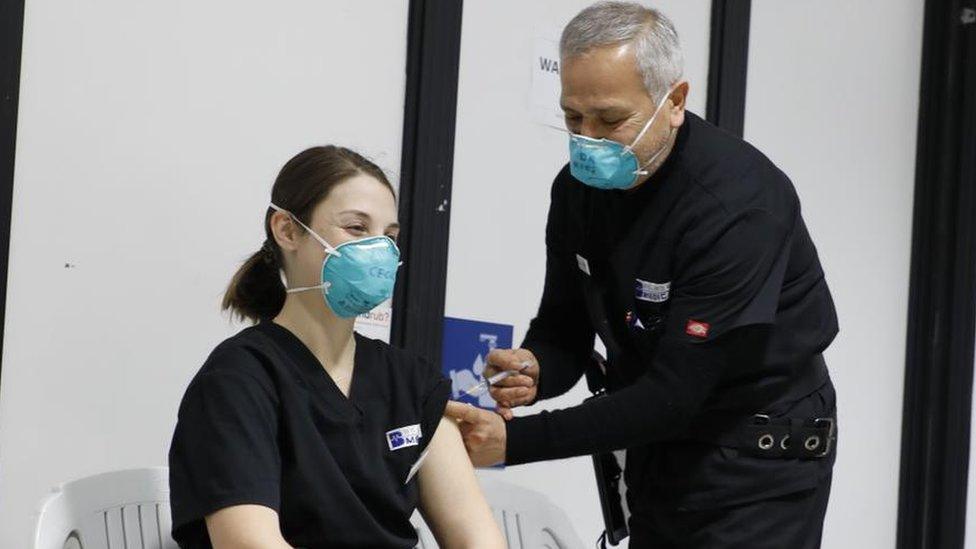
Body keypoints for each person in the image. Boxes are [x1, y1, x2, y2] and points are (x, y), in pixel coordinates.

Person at [445, 3, 838, 548]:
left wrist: (512, 441)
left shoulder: (737, 206)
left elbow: (675, 393)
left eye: (609, 120)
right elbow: (565, 327)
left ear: (674, 102)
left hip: (757, 462)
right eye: (572, 118)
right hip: (658, 452)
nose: (587, 139)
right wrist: (536, 367)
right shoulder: (577, 191)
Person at [168, 146, 505, 549]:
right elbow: (248, 543)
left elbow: (480, 541)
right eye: (356, 228)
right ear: (288, 230)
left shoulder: (409, 381)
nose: (378, 250)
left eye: (389, 236)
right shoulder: (239, 379)